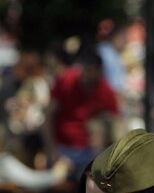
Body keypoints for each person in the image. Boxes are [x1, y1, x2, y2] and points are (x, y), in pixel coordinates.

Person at [45, 49, 120, 177]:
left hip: (90, 154)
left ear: (100, 72)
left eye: (92, 72)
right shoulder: (65, 82)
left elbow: (116, 126)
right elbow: (48, 117)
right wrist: (51, 149)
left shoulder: (106, 92)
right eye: (86, 71)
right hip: (62, 150)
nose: (88, 77)